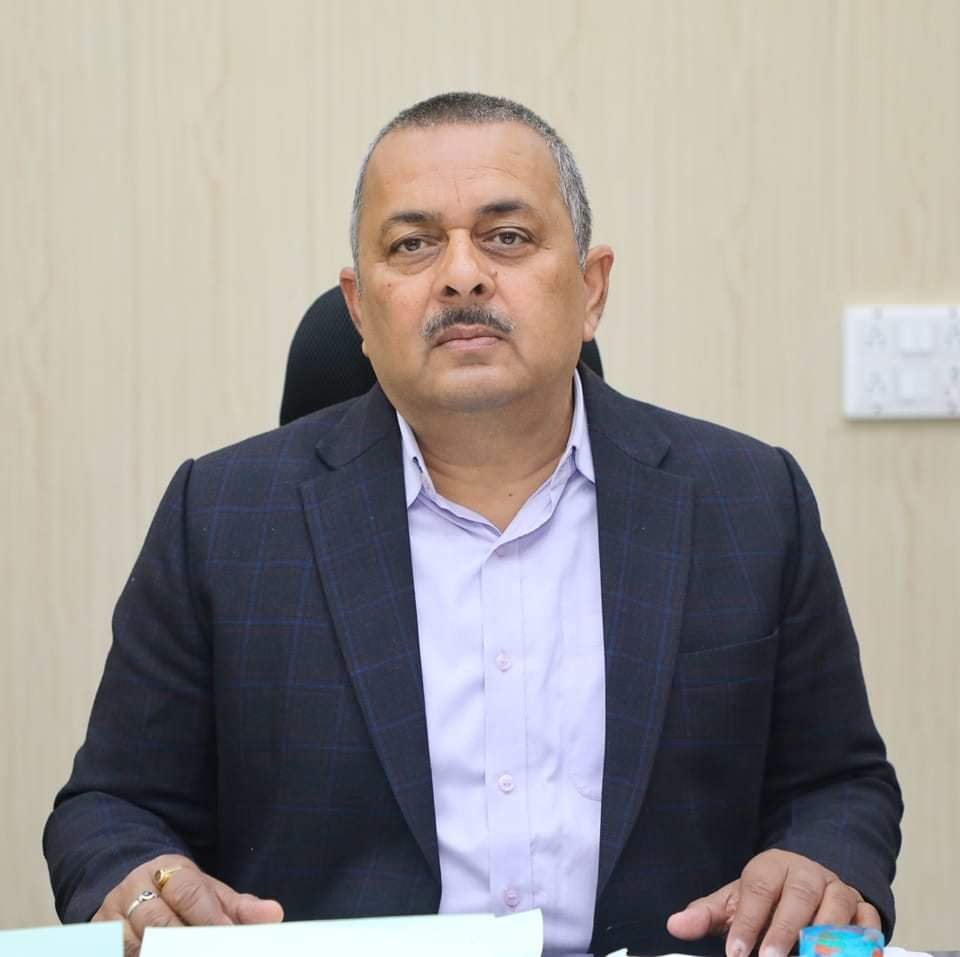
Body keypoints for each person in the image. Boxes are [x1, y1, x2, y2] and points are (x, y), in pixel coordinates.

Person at [44, 92, 901, 957]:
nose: (462, 275)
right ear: (359, 309)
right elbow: (112, 806)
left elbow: (839, 783)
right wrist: (144, 879)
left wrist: (819, 861)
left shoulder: (749, 500)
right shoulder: (222, 518)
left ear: (592, 288)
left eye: (508, 237)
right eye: (413, 244)